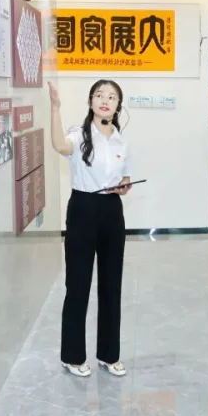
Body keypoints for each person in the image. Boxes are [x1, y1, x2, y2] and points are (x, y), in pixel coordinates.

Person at [49, 80, 132, 378]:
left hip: (112, 211)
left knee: (111, 284)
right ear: (90, 101)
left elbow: (126, 177)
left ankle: (109, 354)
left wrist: (125, 186)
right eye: (99, 95)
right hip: (83, 209)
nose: (105, 100)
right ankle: (72, 356)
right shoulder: (79, 135)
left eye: (112, 97)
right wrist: (55, 108)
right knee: (78, 284)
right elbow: (59, 146)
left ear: (118, 105)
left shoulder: (121, 141)